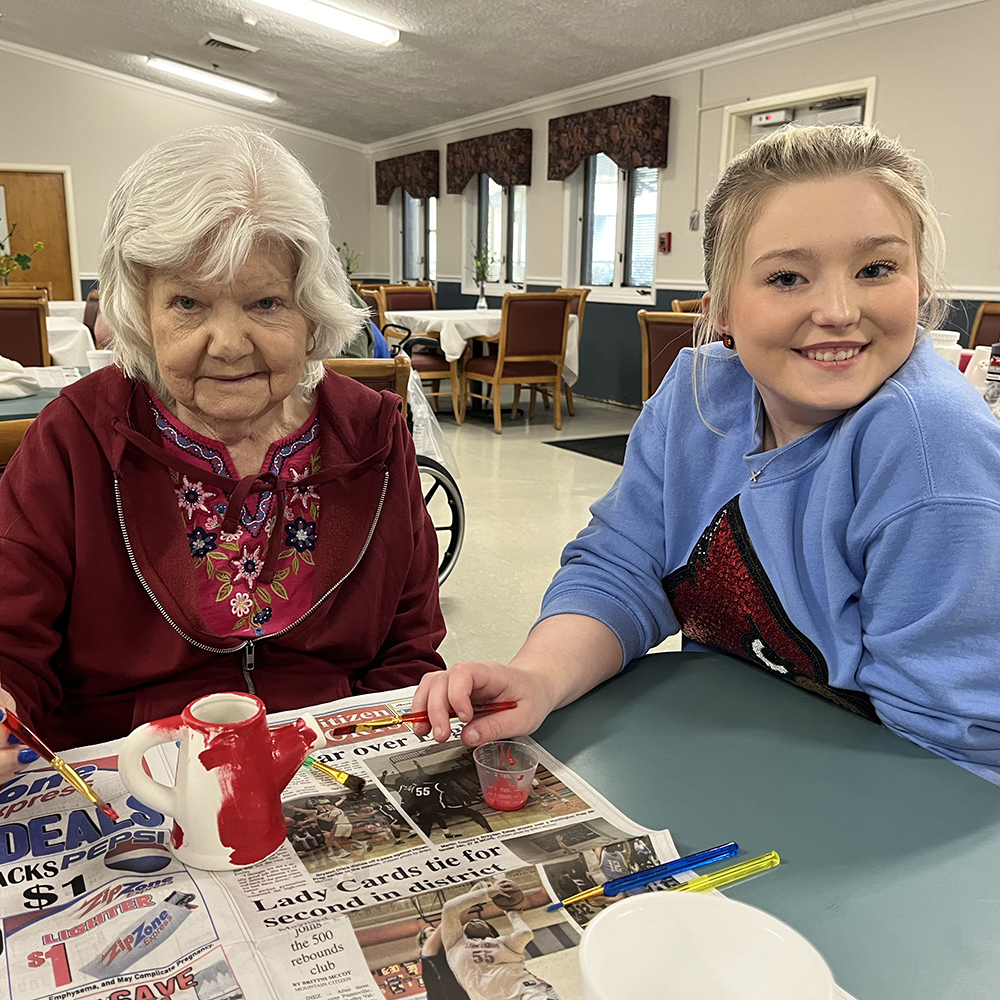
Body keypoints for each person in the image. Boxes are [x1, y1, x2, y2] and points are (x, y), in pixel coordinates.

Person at [412, 124, 1000, 785]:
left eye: (876, 268)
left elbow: (949, 746)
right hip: (733, 761)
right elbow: (623, 566)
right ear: (721, 308)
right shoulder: (697, 393)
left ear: (919, 283)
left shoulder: (932, 449)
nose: (838, 309)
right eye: (786, 276)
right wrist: (540, 676)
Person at [0, 126, 445, 767]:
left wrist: (365, 768)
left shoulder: (372, 433)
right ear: (140, 310)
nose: (229, 342)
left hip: (331, 767)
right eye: (187, 302)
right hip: (130, 778)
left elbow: (410, 645)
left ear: (311, 309)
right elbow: (11, 642)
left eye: (266, 302)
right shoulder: (76, 437)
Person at [440, 881, 560, 1000]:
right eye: (467, 923)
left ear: (491, 934)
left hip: (528, 992)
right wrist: (484, 893)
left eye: (482, 922)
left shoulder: (503, 943)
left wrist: (513, 914)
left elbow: (525, 934)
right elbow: (449, 910)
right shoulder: (454, 943)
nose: (473, 921)